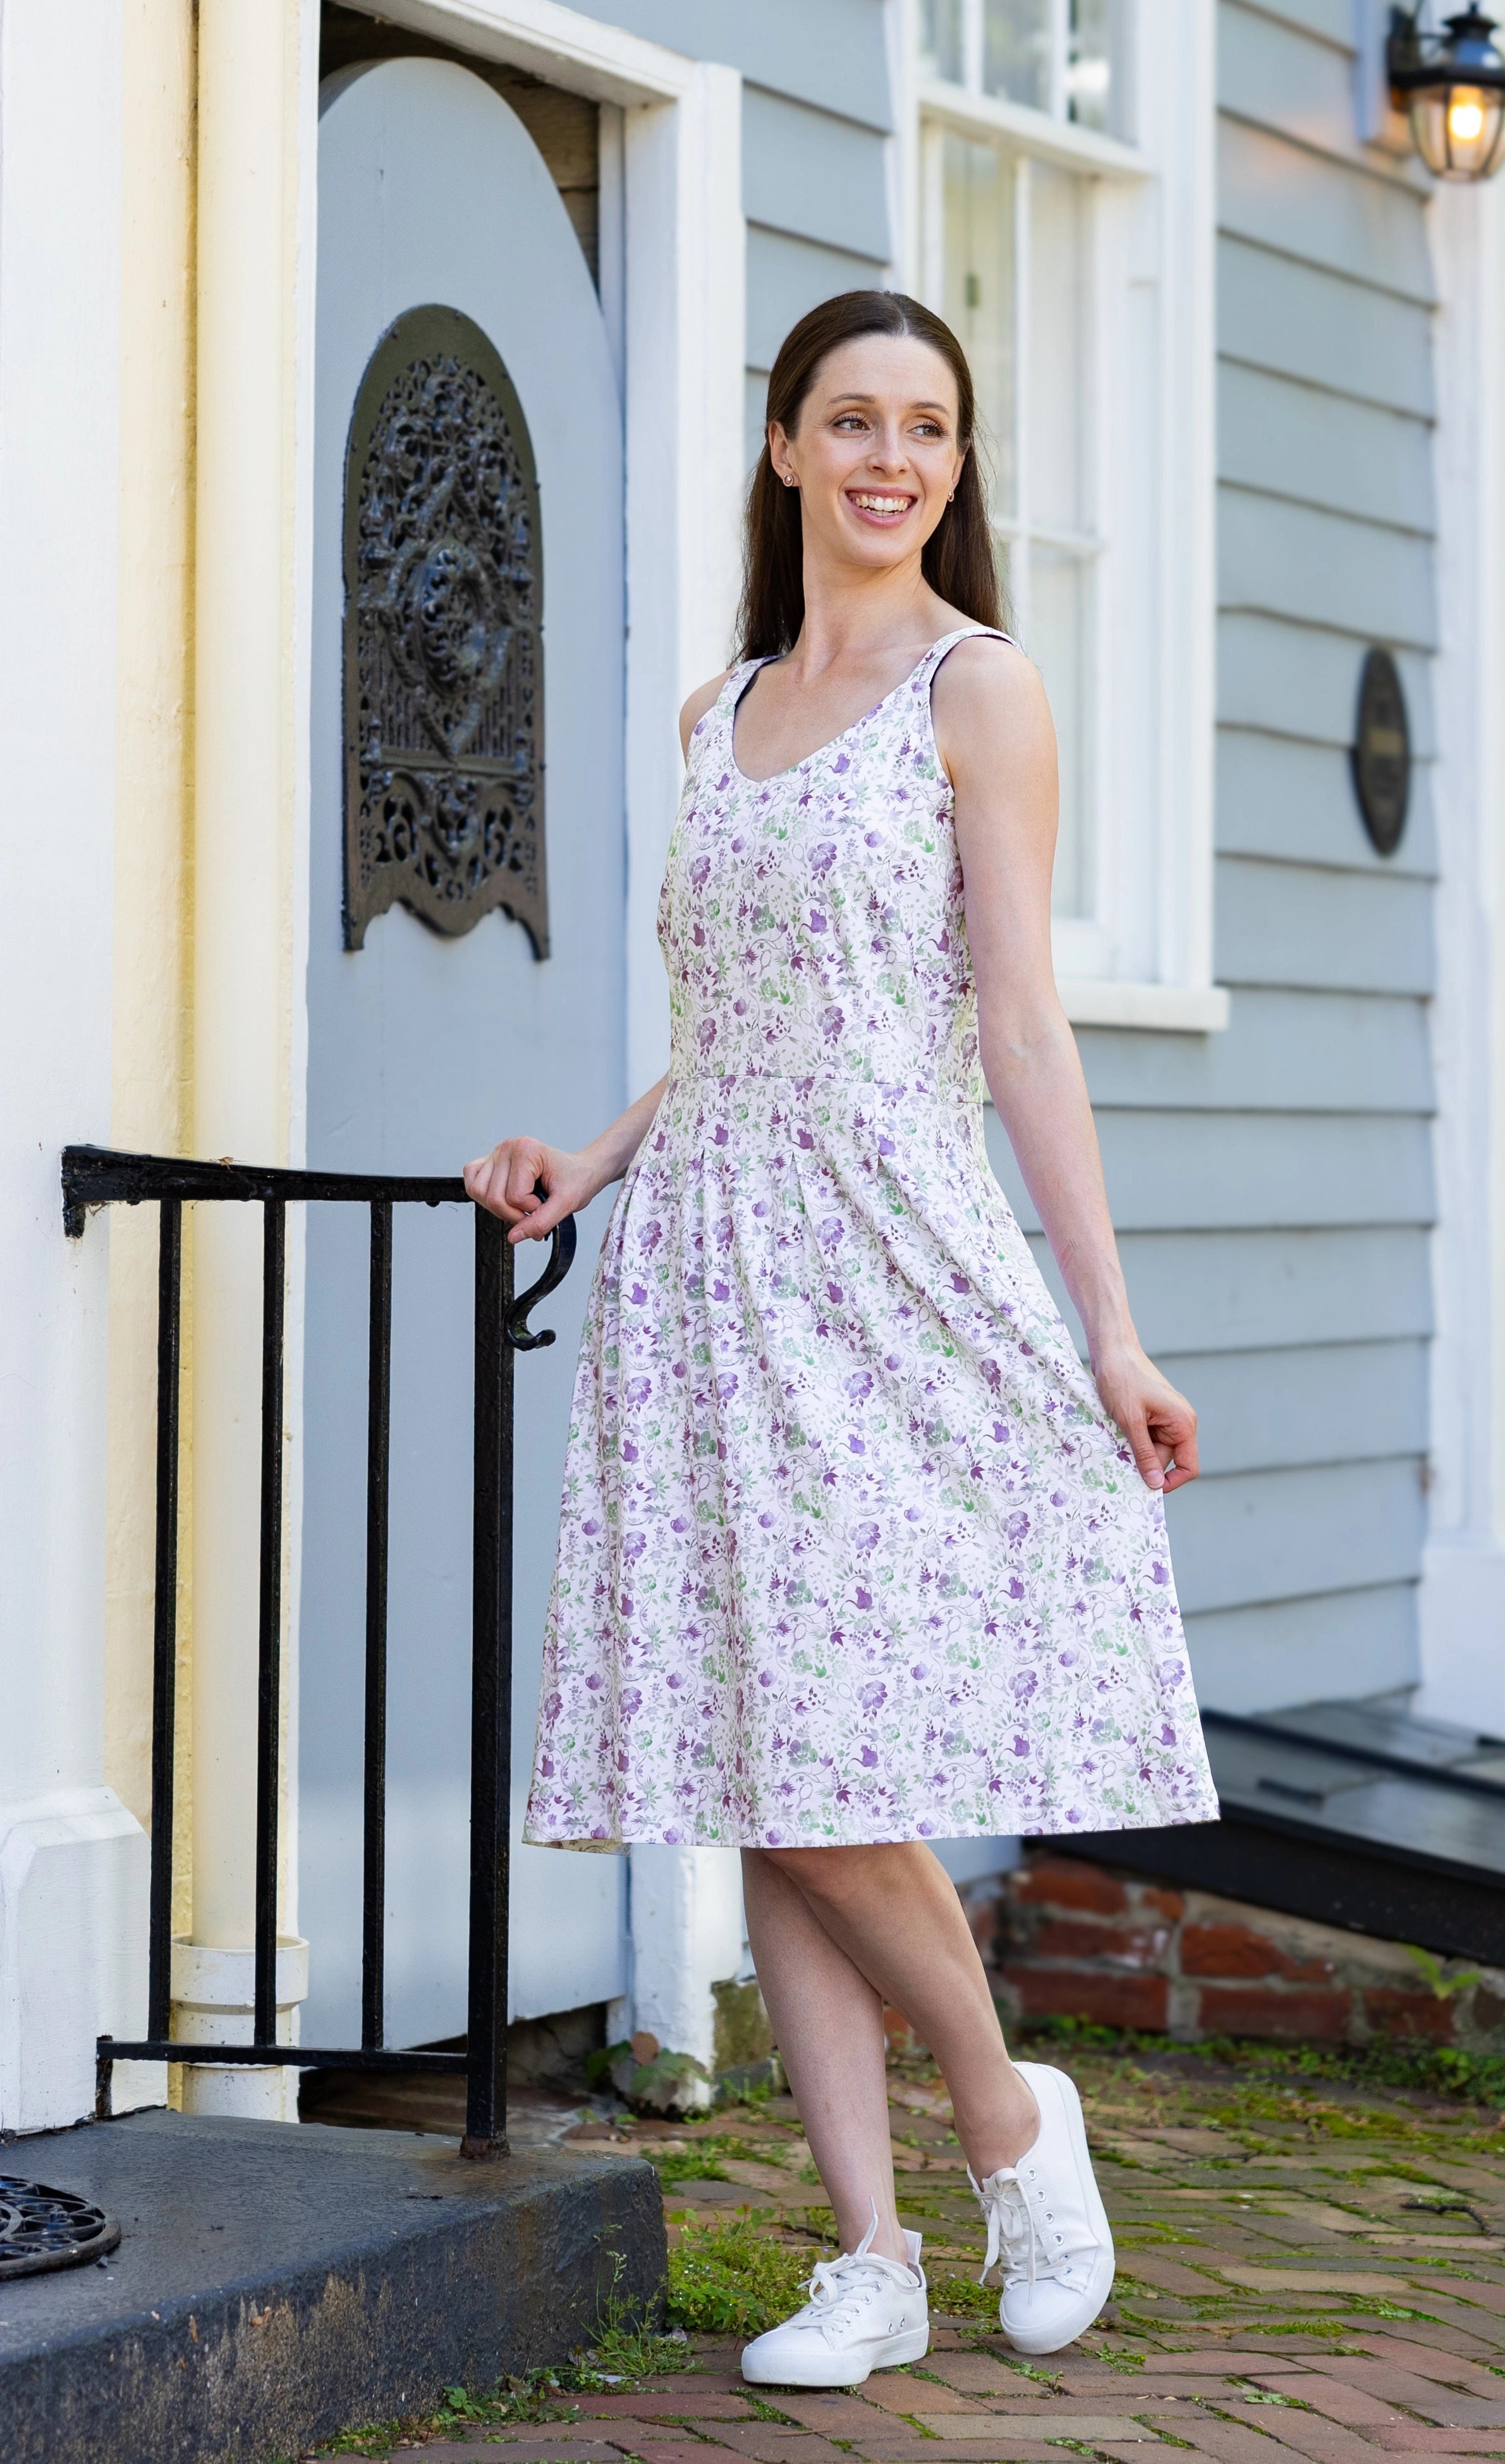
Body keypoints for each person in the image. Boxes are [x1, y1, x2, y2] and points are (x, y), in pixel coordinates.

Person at [465, 289, 1218, 2390]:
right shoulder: (714, 712)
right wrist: (591, 1160)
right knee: (757, 1752)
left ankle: (1006, 2115)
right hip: (706, 1271)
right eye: (856, 420)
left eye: (929, 428)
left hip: (889, 1262)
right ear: (785, 445)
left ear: (954, 468)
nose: (894, 458)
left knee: (823, 1755)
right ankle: (873, 2254)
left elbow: (1019, 1026)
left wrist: (1113, 1328)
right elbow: (735, 1032)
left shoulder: (982, 690)